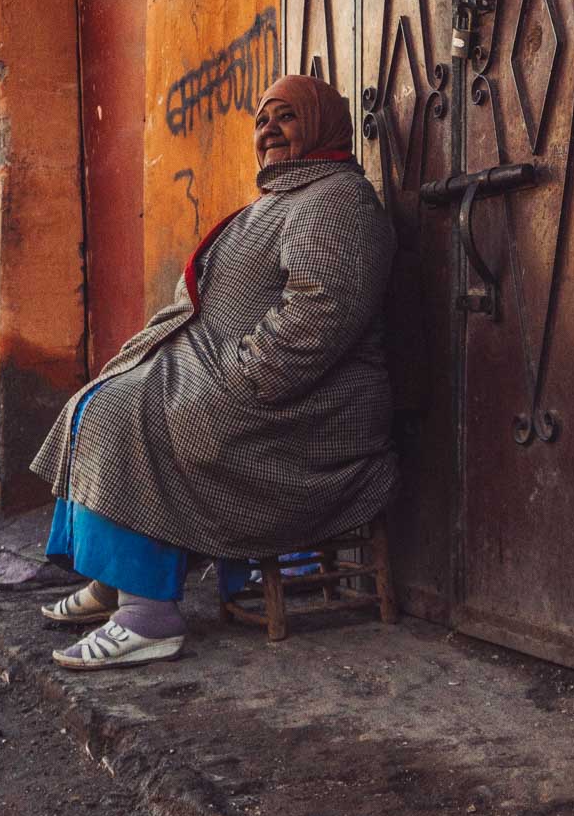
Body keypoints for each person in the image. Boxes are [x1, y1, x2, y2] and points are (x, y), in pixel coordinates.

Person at [31, 74, 398, 670]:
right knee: (102, 400)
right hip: (252, 388)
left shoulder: (338, 201)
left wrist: (231, 385)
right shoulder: (283, 199)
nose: (269, 130)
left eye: (287, 118)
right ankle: (114, 575)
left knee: (128, 418)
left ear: (324, 125)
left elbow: (321, 313)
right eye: (262, 121)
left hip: (305, 414)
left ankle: (148, 615)